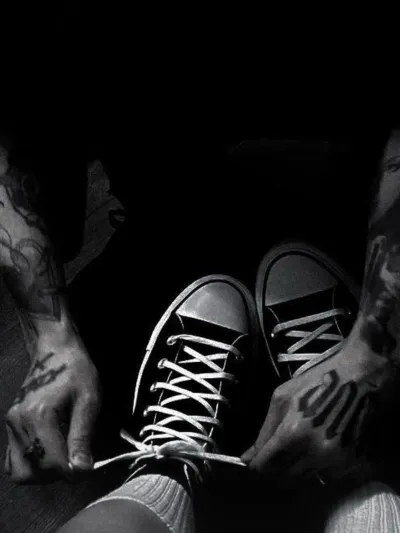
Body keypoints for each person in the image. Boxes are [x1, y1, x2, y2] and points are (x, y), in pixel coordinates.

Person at [2, 129, 400, 533]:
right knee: (358, 480)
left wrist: (369, 354)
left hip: (352, 211)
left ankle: (161, 479)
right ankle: (340, 478)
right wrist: (52, 337)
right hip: (170, 218)